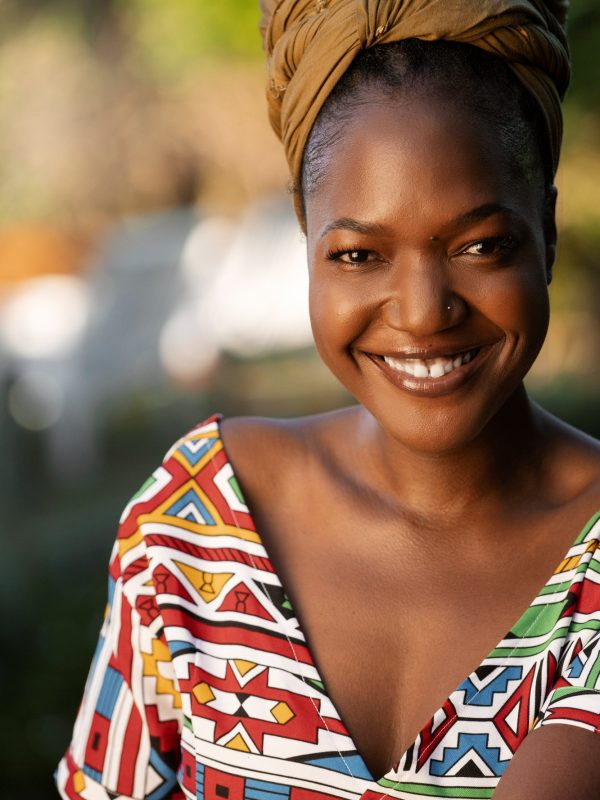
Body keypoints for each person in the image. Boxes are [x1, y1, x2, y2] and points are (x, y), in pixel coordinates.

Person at [56, 1, 600, 799]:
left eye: (480, 245)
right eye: (358, 254)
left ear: (545, 231)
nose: (422, 311)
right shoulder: (195, 525)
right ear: (305, 240)